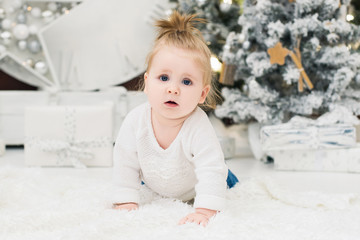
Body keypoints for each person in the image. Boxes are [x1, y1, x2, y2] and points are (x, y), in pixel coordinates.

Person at [112, 10, 238, 227]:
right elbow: (125, 163)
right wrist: (126, 200)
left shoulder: (197, 125)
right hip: (158, 180)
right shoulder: (135, 121)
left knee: (222, 177)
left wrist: (205, 210)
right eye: (163, 78)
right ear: (147, 82)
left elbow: (210, 168)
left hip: (198, 181)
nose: (173, 89)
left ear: (202, 94)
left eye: (186, 82)